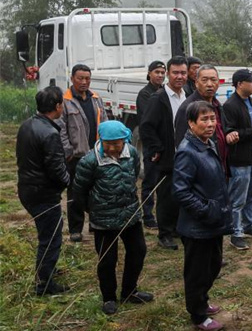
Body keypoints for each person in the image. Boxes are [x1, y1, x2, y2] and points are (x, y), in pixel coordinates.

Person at [73, 121, 152, 315]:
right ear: (101, 140)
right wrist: (93, 209)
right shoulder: (90, 161)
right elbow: (79, 191)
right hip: (103, 220)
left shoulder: (132, 152)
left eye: (117, 143)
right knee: (107, 260)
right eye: (108, 143)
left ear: (124, 141)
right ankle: (108, 297)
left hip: (130, 215)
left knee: (138, 251)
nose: (112, 148)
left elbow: (133, 176)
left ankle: (129, 291)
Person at [173, 101, 233, 331]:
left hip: (212, 221)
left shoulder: (208, 144)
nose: (210, 124)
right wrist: (206, 210)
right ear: (191, 123)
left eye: (212, 119)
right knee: (197, 271)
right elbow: (181, 191)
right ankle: (197, 314)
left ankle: (202, 301)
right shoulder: (188, 152)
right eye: (204, 120)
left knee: (213, 264)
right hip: (198, 225)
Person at [16, 86, 70, 296]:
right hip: (43, 193)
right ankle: (44, 283)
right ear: (57, 107)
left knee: (46, 233)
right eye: (62, 104)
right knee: (51, 237)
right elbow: (56, 169)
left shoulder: (27, 124)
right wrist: (68, 181)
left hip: (27, 188)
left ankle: (47, 269)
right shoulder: (49, 133)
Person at [139, 56, 188, 250]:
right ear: (168, 74)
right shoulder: (158, 98)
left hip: (187, 155)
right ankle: (164, 234)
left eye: (183, 73)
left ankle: (177, 228)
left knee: (182, 194)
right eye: (175, 72)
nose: (179, 76)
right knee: (166, 195)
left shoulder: (188, 94)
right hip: (168, 156)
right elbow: (146, 127)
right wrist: (158, 149)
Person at [223, 69, 252, 251]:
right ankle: (236, 233)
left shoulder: (250, 100)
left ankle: (249, 225)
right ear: (240, 84)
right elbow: (230, 133)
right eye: (251, 81)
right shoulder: (230, 105)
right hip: (241, 159)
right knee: (238, 198)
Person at [60, 63, 108, 242]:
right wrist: (68, 151)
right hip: (76, 156)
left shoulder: (96, 99)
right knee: (75, 193)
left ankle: (95, 223)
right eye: (80, 78)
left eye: (87, 78)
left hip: (96, 153)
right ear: (72, 78)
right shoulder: (65, 101)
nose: (84, 82)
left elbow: (104, 122)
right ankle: (75, 229)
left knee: (97, 190)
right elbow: (61, 130)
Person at [174, 64, 233, 176]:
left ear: (218, 83)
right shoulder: (187, 108)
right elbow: (181, 144)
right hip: (201, 172)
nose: (209, 84)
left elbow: (222, 130)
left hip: (219, 167)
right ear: (196, 83)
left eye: (213, 80)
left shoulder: (216, 105)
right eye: (204, 80)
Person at [136, 60, 166, 229]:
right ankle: (147, 215)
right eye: (157, 72)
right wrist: (154, 147)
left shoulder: (165, 91)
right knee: (150, 181)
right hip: (152, 144)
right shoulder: (145, 94)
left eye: (162, 72)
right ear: (149, 74)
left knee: (164, 182)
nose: (160, 75)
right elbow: (148, 123)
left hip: (165, 144)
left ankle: (163, 214)